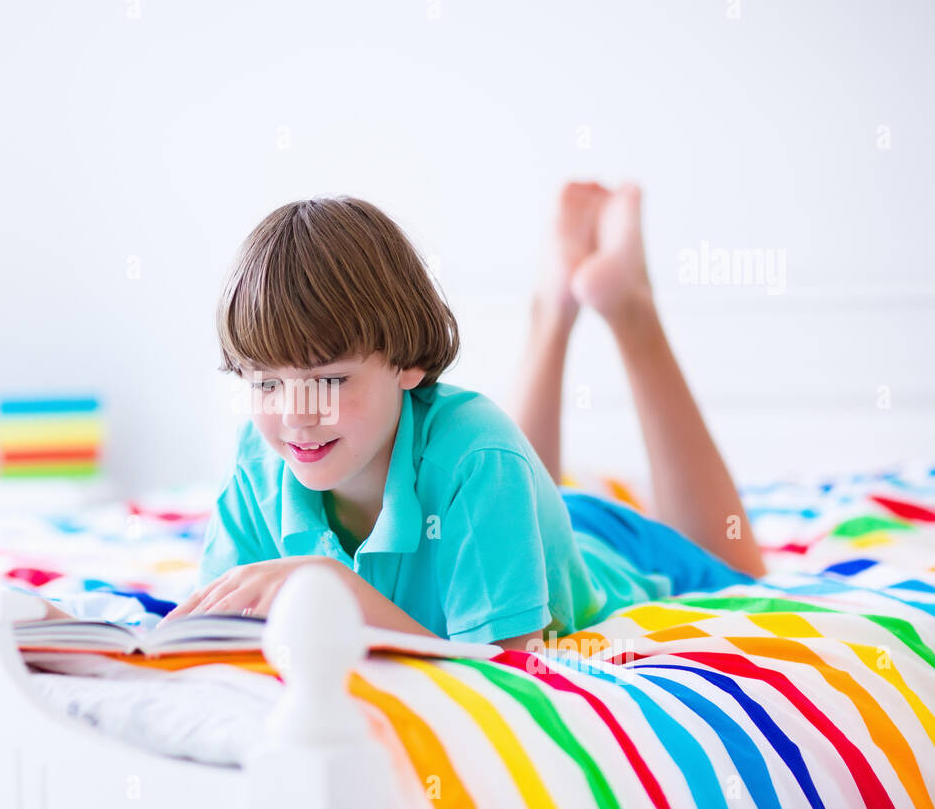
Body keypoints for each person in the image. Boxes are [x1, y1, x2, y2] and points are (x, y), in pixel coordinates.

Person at [162, 183, 765, 650]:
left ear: (406, 362)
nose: (296, 414)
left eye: (329, 379)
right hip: (505, 515)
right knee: (497, 469)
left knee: (746, 571)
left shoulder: (478, 457)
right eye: (266, 382)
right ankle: (557, 297)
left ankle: (625, 308)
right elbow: (212, 628)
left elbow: (504, 671)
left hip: (612, 551)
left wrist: (338, 591)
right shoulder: (255, 463)